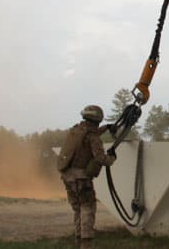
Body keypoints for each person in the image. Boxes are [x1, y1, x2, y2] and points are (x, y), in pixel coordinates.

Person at [58, 104, 116, 248]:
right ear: (97, 119)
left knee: (77, 208)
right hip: (81, 179)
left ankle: (78, 240)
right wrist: (112, 159)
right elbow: (101, 157)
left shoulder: (76, 130)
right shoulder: (93, 137)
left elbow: (91, 134)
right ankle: (87, 242)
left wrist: (107, 127)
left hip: (67, 176)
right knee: (88, 208)